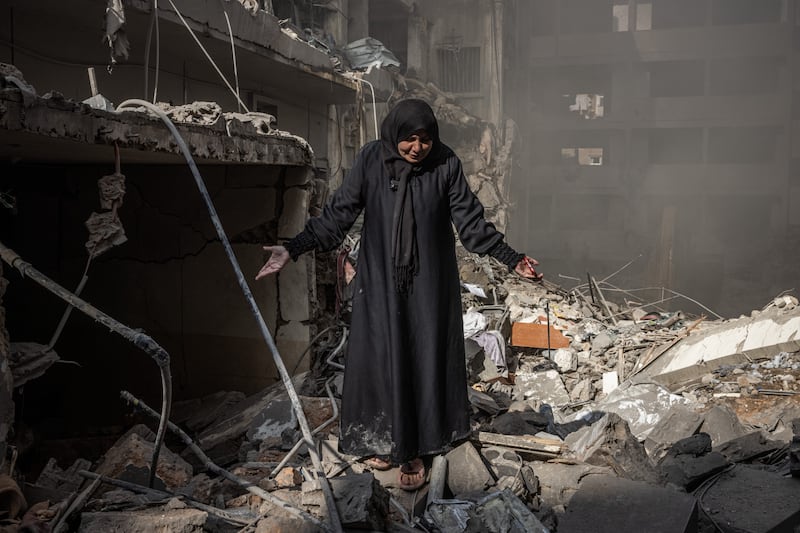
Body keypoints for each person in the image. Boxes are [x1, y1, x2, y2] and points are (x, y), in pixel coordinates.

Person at [256, 98, 541, 490]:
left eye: (424, 139)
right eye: (408, 139)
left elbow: (472, 225)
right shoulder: (373, 159)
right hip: (380, 286)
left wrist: (513, 258)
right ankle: (383, 441)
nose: (416, 147)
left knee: (423, 359)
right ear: (395, 135)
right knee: (380, 359)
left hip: (429, 286)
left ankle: (415, 449)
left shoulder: (445, 165)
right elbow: (338, 215)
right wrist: (293, 248)